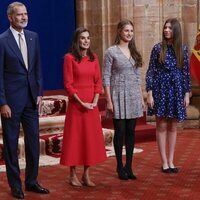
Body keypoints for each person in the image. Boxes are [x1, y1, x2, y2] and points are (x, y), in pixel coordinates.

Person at [0, 2, 49, 199]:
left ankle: (31, 181)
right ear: (10, 18)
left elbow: (36, 67)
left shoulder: (33, 37)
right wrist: (2, 102)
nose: (23, 17)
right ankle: (15, 185)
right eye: (19, 15)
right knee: (11, 145)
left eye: (25, 14)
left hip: (31, 100)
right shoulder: (2, 41)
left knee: (33, 143)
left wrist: (39, 92)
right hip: (10, 103)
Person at [60, 27, 107, 187]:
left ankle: (86, 175)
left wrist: (94, 102)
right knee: (75, 139)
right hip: (76, 105)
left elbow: (98, 83)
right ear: (77, 40)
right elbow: (68, 84)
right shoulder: (69, 58)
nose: (86, 41)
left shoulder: (94, 58)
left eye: (88, 38)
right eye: (82, 38)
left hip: (91, 105)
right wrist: (82, 103)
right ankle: (72, 174)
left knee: (89, 139)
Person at [145, 18, 191, 174]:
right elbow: (151, 71)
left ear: (175, 30)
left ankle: (171, 160)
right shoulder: (157, 48)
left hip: (177, 90)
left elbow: (185, 73)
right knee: (162, 125)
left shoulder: (182, 49)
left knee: (173, 126)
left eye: (170, 28)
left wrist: (186, 93)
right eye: (165, 28)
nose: (166, 30)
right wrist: (149, 93)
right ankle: (164, 161)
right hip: (161, 89)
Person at [102, 19, 144, 180]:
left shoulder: (134, 52)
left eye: (131, 31)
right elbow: (106, 77)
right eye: (126, 30)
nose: (129, 34)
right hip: (118, 95)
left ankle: (129, 166)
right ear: (120, 31)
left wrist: (141, 98)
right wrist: (108, 100)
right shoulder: (111, 51)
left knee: (131, 132)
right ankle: (119, 166)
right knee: (120, 132)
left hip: (133, 95)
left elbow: (138, 77)